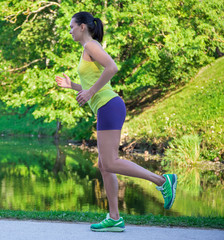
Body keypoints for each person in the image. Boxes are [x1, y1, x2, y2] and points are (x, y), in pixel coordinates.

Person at [55, 11, 177, 232]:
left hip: (109, 106)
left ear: (83, 26)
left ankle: (162, 181)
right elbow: (95, 82)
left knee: (110, 162)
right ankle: (114, 218)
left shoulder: (91, 46)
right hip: (106, 107)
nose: (70, 30)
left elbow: (113, 68)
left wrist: (90, 92)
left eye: (71, 26)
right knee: (104, 165)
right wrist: (73, 86)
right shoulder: (88, 49)